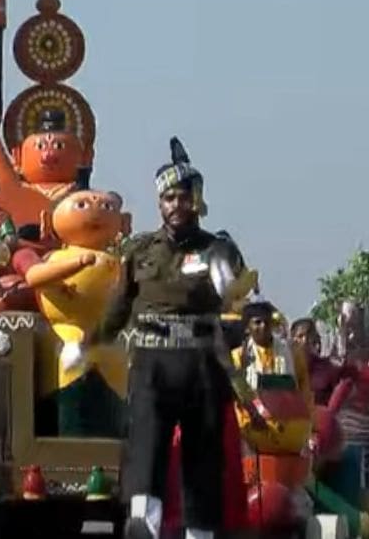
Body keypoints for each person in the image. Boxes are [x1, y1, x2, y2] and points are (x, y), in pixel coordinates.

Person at [99, 141, 261, 539]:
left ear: (197, 200)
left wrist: (233, 345)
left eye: (183, 197)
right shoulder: (139, 251)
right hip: (152, 363)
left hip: (202, 365)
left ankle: (200, 534)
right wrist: (88, 344)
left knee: (202, 458)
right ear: (159, 203)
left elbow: (241, 307)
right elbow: (118, 309)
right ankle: (144, 527)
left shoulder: (218, 250)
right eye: (168, 197)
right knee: (145, 450)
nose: (176, 205)